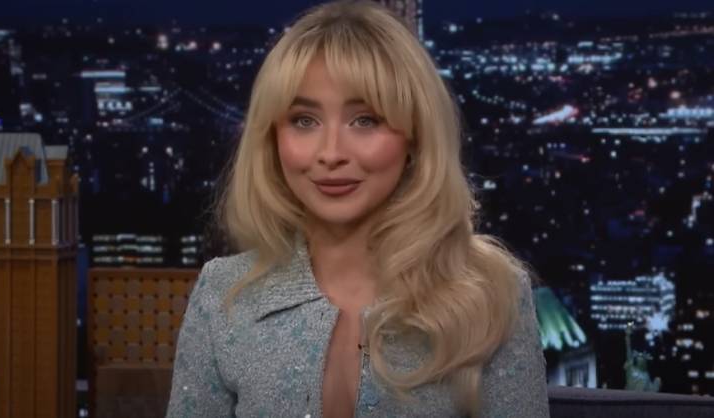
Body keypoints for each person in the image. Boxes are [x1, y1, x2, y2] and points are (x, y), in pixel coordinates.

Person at [166, 0, 549, 416]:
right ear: (272, 139)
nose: (331, 153)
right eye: (304, 120)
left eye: (365, 120)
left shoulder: (494, 295)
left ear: (415, 138)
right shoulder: (223, 294)